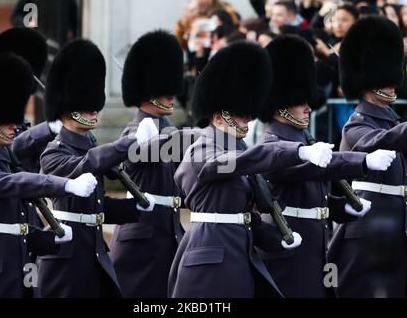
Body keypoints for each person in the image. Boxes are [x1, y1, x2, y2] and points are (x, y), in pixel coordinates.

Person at [168, 42, 338, 298]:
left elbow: (247, 217)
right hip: (209, 258)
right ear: (218, 115)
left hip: (239, 255)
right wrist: (298, 151)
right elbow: (230, 162)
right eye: (240, 114)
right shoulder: (201, 149)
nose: (247, 119)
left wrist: (277, 238)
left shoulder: (240, 151)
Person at [255, 34, 395, 298]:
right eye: (300, 102)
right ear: (279, 106)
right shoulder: (272, 144)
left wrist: (342, 207)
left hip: (314, 247)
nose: (309, 108)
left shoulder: (303, 139)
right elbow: (315, 168)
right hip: (288, 251)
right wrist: (362, 160)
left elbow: (310, 196)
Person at [0, 54, 97, 297]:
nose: (15, 125)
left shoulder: (6, 162)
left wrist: (53, 239)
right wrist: (66, 185)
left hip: (18, 270)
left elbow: (18, 228)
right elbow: (17, 184)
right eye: (7, 120)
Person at [37, 39, 157, 298]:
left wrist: (133, 208)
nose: (94, 111)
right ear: (67, 109)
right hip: (66, 259)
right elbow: (86, 165)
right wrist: (129, 142)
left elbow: (96, 206)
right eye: (86, 106)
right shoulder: (53, 153)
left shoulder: (90, 147)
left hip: (94, 251)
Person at [109, 30, 199, 297]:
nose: (171, 94)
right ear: (145, 92)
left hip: (170, 235)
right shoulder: (134, 132)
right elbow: (132, 154)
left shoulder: (168, 130)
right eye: (163, 89)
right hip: (141, 244)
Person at [327, 16, 406, 298]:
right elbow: (378, 142)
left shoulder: (390, 122)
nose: (393, 86)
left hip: (394, 230)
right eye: (386, 81)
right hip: (368, 235)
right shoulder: (356, 125)